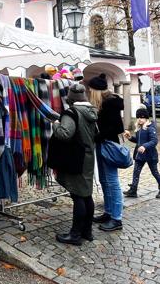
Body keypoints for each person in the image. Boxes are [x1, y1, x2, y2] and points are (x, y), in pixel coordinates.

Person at [49, 82, 99, 245]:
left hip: (77, 158)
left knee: (78, 195)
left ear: (70, 99)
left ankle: (75, 235)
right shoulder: (91, 111)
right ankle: (87, 231)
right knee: (86, 195)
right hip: (88, 156)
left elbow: (65, 134)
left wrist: (56, 125)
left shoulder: (71, 113)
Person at [91, 78, 126, 232]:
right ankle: (109, 212)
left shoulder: (110, 104)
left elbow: (117, 127)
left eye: (91, 90)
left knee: (112, 182)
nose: (90, 92)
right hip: (103, 144)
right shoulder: (106, 102)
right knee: (104, 180)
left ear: (97, 90)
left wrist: (97, 137)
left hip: (109, 145)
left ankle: (117, 218)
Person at [125, 108, 160, 199]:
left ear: (146, 118)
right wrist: (130, 137)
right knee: (136, 172)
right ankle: (133, 190)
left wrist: (144, 146)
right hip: (140, 155)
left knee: (154, 172)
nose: (139, 119)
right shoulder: (139, 128)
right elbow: (138, 140)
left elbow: (154, 141)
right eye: (138, 117)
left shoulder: (150, 128)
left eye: (142, 117)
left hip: (150, 155)